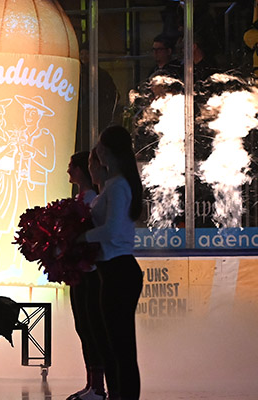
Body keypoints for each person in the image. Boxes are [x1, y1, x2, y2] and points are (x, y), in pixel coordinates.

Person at [81, 126, 144, 400]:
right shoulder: (116, 184)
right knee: (114, 345)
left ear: (107, 151)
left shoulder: (118, 186)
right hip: (113, 270)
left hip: (119, 271)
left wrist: (79, 238)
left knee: (121, 348)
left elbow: (112, 230)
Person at [66, 152, 105, 400]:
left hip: (90, 274)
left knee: (92, 329)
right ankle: (92, 384)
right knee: (83, 328)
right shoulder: (81, 199)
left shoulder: (92, 201)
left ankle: (98, 388)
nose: (68, 171)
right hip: (78, 273)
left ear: (81, 170)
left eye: (72, 166)